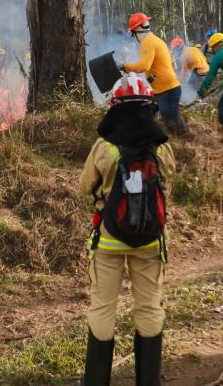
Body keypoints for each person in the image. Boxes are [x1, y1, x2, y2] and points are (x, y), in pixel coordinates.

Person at [78, 73, 176, 386]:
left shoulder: (104, 147)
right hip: (150, 241)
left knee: (103, 308)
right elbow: (166, 183)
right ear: (151, 107)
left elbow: (85, 188)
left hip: (108, 241)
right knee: (149, 307)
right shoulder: (161, 149)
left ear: (114, 108)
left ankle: (95, 381)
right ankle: (148, 381)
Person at [121, 13, 189, 135]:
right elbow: (162, 66)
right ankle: (175, 140)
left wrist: (124, 66)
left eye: (133, 33)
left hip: (167, 90)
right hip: (165, 88)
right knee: (161, 117)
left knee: (171, 120)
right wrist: (150, 81)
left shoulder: (147, 42)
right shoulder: (156, 40)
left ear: (137, 30)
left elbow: (144, 66)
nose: (134, 37)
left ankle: (188, 142)